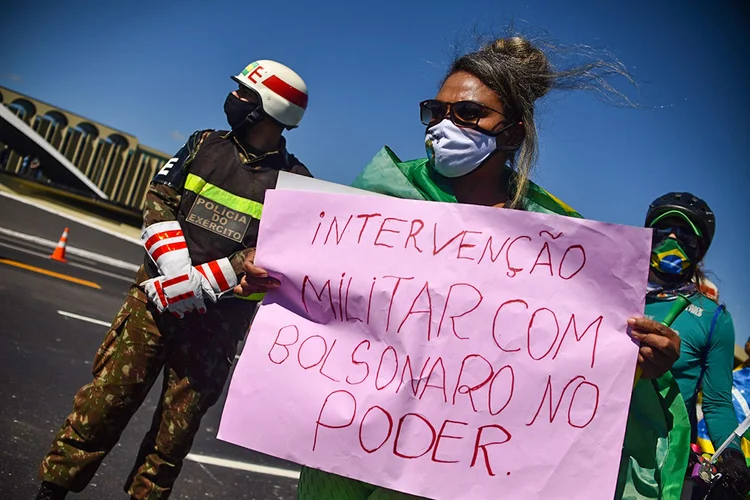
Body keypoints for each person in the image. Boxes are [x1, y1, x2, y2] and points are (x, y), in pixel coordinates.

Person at [236, 36, 688, 499]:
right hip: (348, 444)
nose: (444, 125)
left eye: (468, 114)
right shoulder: (383, 197)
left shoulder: (558, 242)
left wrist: (645, 364)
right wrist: (262, 277)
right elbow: (320, 301)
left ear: (512, 133)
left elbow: (579, 363)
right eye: (437, 111)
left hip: (452, 463)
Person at [35, 59, 311, 500]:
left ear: (270, 108)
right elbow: (159, 199)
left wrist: (220, 278)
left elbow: (274, 256)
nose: (234, 99)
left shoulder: (297, 184)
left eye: (245, 93)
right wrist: (178, 274)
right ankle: (53, 490)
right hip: (154, 304)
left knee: (172, 438)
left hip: (216, 325)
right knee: (102, 405)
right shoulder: (203, 144)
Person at [643, 193, 750, 496]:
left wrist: (732, 457)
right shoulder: (612, 287)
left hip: (662, 463)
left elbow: (716, 404)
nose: (673, 237)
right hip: (596, 445)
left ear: (700, 248)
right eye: (664, 229)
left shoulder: (715, 318)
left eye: (685, 232)